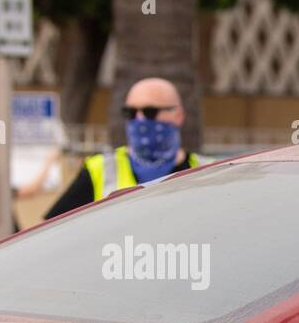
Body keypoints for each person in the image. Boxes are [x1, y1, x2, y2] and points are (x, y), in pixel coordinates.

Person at [44, 77, 202, 219]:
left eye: (150, 112)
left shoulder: (206, 171)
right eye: (131, 112)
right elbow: (49, 231)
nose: (140, 120)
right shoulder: (98, 169)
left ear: (178, 116)